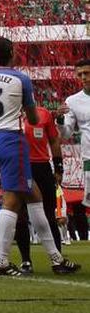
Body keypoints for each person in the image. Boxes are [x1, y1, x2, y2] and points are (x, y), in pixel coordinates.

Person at [0, 37, 79, 275]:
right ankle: (1, 261)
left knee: (33, 195)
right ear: (12, 53)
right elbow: (34, 120)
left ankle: (56, 259)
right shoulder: (20, 79)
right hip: (13, 141)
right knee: (12, 200)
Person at [15, 100, 64, 272]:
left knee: (49, 214)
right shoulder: (8, 114)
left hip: (41, 167)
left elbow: (54, 140)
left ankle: (57, 260)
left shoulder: (43, 114)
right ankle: (26, 261)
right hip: (18, 167)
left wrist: (58, 167)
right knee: (20, 215)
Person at [59, 59, 90, 221]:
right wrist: (59, 120)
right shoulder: (72, 101)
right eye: (80, 74)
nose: (84, 77)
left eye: (87, 73)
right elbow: (66, 134)